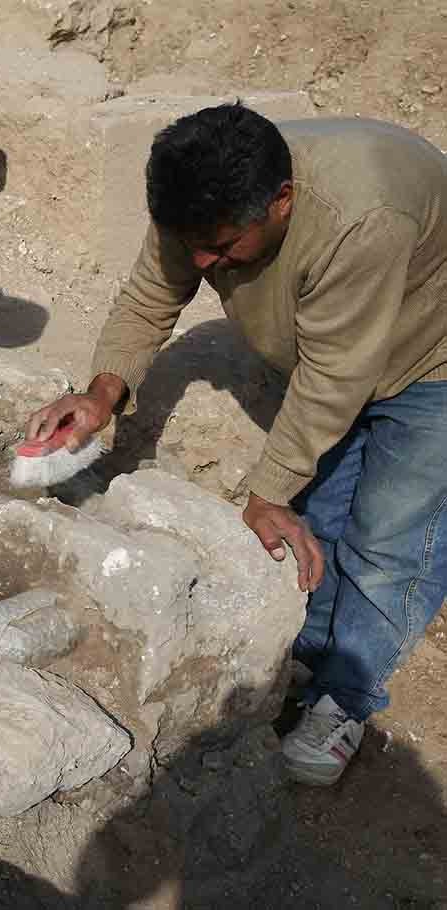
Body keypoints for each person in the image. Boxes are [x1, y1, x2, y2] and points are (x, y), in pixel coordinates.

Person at [25, 103, 447, 786]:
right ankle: (312, 655)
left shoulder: (361, 218)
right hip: (336, 353)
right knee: (327, 516)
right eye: (191, 243)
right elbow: (149, 296)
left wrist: (266, 490)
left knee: (392, 540)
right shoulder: (204, 197)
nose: (201, 263)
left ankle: (346, 697)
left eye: (218, 251)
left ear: (283, 201)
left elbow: (338, 374)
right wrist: (102, 395)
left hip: (433, 355)